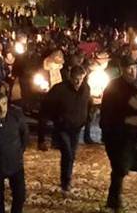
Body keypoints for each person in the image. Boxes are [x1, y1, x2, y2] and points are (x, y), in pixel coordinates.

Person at [100, 55, 137, 212]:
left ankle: (113, 200)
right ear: (122, 70)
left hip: (132, 133)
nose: (132, 70)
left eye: (134, 67)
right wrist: (125, 118)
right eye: (129, 68)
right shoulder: (113, 87)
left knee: (122, 167)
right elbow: (107, 112)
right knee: (119, 167)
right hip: (117, 132)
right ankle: (114, 201)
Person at [43, 65, 90, 194]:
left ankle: (66, 179)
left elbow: (87, 104)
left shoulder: (86, 89)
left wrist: (86, 118)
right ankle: (66, 181)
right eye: (76, 79)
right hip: (62, 128)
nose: (78, 82)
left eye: (81, 79)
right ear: (70, 77)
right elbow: (46, 107)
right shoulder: (59, 90)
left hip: (76, 128)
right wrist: (55, 120)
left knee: (72, 155)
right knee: (67, 153)